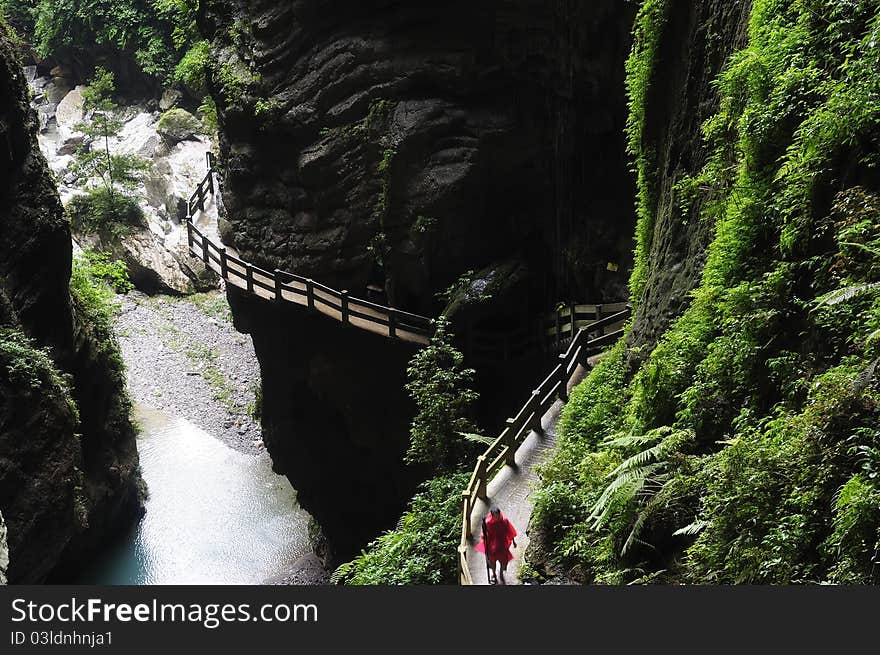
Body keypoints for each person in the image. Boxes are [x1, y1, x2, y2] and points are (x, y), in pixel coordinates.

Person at [475, 506, 517, 584]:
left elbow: (510, 531)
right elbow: (484, 534)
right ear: (492, 515)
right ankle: (494, 574)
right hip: (492, 546)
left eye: (497, 515)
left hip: (502, 544)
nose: (497, 517)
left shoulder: (504, 521)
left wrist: (513, 541)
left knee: (503, 561)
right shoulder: (488, 523)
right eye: (495, 516)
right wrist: (484, 535)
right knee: (492, 562)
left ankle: (501, 573)